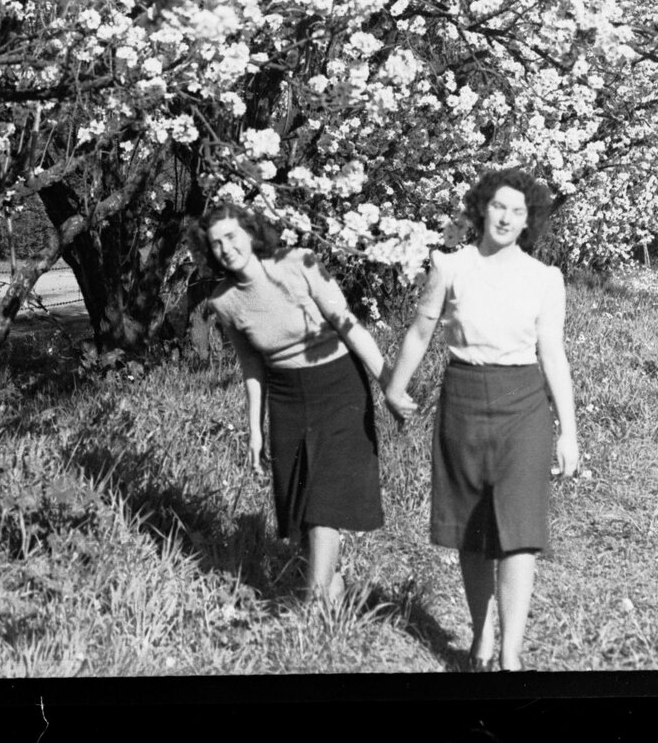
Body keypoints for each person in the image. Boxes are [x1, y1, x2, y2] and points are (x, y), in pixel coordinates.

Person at [381, 168, 581, 671]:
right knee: (472, 529)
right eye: (499, 207)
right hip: (464, 400)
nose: (507, 218)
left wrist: (569, 431)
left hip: (524, 405)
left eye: (518, 211)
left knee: (519, 530)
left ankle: (511, 653)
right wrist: (395, 387)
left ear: (529, 220)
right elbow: (420, 333)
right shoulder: (450, 266)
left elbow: (553, 355)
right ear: (481, 209)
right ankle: (482, 635)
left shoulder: (545, 278)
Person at [202, 201, 402, 606]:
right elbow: (252, 368)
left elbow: (348, 324)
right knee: (299, 503)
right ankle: (332, 587)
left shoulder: (299, 263)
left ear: (251, 234)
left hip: (338, 386)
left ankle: (313, 606)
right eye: (216, 243)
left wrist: (390, 385)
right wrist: (255, 431)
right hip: (287, 397)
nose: (226, 248)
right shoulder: (224, 301)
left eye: (231, 237)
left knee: (323, 498)